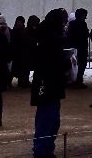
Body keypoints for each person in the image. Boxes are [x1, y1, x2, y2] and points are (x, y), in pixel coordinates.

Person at [30, 9, 69, 158]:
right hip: (46, 83)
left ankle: (46, 148)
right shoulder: (49, 38)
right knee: (47, 118)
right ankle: (41, 150)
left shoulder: (50, 36)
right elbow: (51, 61)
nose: (65, 25)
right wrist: (65, 62)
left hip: (50, 82)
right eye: (63, 21)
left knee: (52, 119)